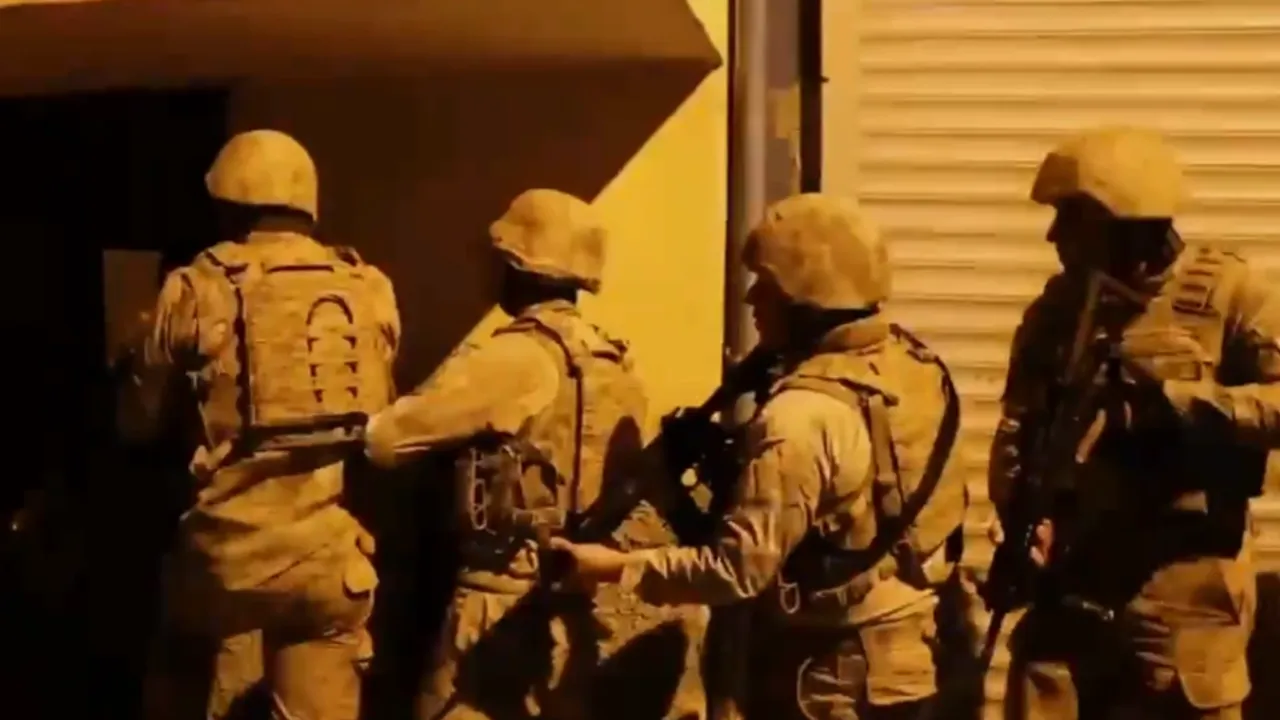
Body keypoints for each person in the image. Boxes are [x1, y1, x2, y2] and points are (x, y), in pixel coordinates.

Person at [551, 192, 971, 720]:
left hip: (832, 677)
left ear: (804, 301)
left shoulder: (802, 415)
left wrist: (613, 567)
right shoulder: (914, 365)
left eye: (767, 287)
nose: (751, 299)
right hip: (908, 657)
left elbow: (738, 570)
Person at [364, 188, 708, 720]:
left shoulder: (511, 358)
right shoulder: (611, 361)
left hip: (498, 598)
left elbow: (383, 442)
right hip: (576, 601)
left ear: (515, 266)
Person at [983, 125, 1279, 719]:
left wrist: (1179, 403)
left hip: (1184, 590)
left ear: (1123, 222)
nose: (1053, 236)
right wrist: (1023, 524)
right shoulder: (1058, 311)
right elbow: (1020, 430)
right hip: (1073, 584)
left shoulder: (1231, 294)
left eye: (1071, 218)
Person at [121, 128, 401, 720]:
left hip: (224, 563)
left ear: (228, 201)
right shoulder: (367, 288)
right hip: (329, 562)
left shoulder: (195, 287)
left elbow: (137, 421)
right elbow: (381, 418)